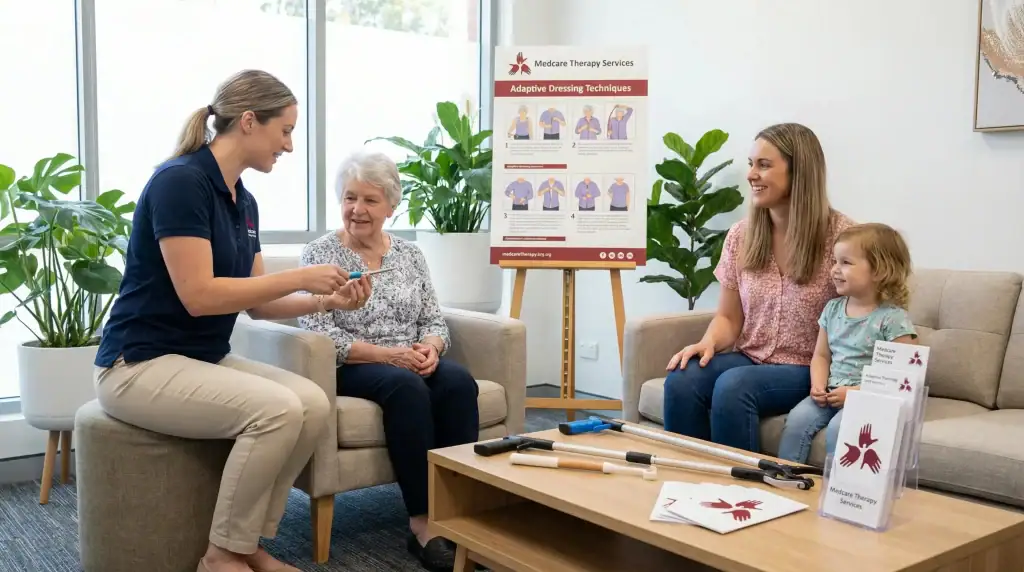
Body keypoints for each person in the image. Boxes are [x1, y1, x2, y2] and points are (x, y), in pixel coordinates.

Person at [92, 69, 373, 572]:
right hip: (136, 363)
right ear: (248, 122)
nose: (289, 145)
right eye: (284, 130)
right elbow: (199, 296)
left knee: (311, 402)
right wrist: (300, 276)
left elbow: (258, 304)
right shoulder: (181, 182)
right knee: (278, 411)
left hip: (199, 357)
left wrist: (327, 301)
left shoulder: (244, 201)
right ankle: (222, 556)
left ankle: (247, 544)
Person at [297, 149, 480, 572]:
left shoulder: (410, 255)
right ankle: (422, 522)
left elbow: (432, 316)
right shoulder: (320, 253)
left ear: (391, 207)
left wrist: (430, 348)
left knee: (457, 383)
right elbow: (320, 331)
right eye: (349, 198)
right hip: (355, 364)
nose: (356, 209)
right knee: (406, 387)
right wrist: (390, 356)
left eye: (369, 200)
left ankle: (459, 511)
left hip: (408, 357)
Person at [662, 122, 856, 454]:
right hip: (751, 359)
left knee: (734, 386)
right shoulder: (741, 235)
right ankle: (688, 485)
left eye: (764, 165)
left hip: (809, 367)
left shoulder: (843, 239)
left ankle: (736, 494)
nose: (752, 174)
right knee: (683, 379)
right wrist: (707, 343)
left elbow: (864, 315)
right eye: (751, 163)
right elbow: (728, 317)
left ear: (799, 172)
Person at [777, 223, 917, 463]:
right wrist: (818, 385)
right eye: (835, 261)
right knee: (796, 420)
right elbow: (821, 356)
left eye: (846, 263)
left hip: (869, 398)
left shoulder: (893, 319)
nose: (834, 270)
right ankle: (786, 480)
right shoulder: (832, 310)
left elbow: (902, 377)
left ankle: (837, 492)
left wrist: (855, 394)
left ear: (879, 270)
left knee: (840, 429)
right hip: (829, 393)